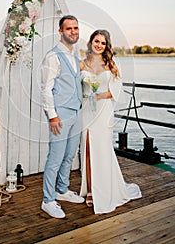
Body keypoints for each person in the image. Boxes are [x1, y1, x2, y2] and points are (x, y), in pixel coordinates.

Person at [79, 29, 142, 214]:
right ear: (90, 42)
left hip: (104, 111)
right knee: (88, 150)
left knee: (103, 150)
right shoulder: (82, 64)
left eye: (103, 43)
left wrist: (99, 95)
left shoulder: (111, 65)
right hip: (87, 111)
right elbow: (75, 86)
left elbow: (117, 90)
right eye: (96, 41)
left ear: (106, 46)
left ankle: (105, 190)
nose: (99, 45)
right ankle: (90, 190)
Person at [41, 15, 84, 219]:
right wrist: (52, 116)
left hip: (76, 112)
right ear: (61, 31)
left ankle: (62, 190)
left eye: (75, 28)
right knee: (55, 158)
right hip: (60, 115)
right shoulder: (53, 56)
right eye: (69, 28)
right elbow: (46, 89)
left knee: (69, 155)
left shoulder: (75, 56)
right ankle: (48, 200)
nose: (73, 31)